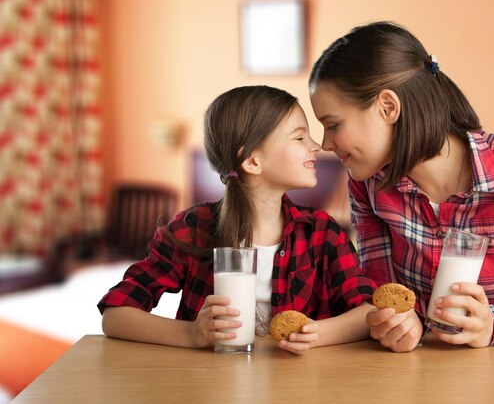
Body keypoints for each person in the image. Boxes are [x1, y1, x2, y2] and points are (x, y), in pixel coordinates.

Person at [308, 21, 494, 351]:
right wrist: (399, 324)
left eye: (333, 125)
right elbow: (384, 296)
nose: (325, 143)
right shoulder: (368, 185)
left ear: (388, 107)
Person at [98, 85, 376, 355]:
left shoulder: (322, 233)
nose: (317, 146)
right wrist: (191, 334)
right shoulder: (194, 228)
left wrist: (315, 335)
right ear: (253, 161)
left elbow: (369, 311)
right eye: (300, 137)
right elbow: (116, 315)